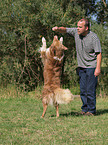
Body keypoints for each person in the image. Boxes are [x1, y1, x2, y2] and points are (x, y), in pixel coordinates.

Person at [52, 18, 102, 116]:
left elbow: (99, 54)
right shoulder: (76, 32)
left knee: (90, 90)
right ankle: (85, 109)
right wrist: (58, 29)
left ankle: (91, 111)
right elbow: (65, 29)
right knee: (83, 90)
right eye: (77, 26)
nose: (77, 28)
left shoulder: (93, 37)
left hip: (91, 67)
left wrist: (98, 68)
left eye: (80, 27)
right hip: (81, 67)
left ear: (86, 28)